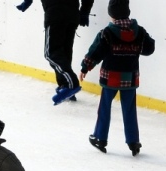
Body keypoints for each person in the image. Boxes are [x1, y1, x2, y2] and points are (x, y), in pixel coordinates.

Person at [79, 0, 155, 156]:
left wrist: (85, 67)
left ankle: (100, 138)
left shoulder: (107, 33)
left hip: (111, 77)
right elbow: (149, 48)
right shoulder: (138, 31)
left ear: (112, 14)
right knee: (129, 110)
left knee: (105, 108)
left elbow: (95, 52)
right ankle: (134, 142)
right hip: (130, 77)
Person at [16, 0, 94, 105]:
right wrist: (84, 11)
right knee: (64, 53)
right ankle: (65, 87)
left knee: (51, 54)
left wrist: (27, 2)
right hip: (72, 15)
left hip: (55, 14)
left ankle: (71, 84)